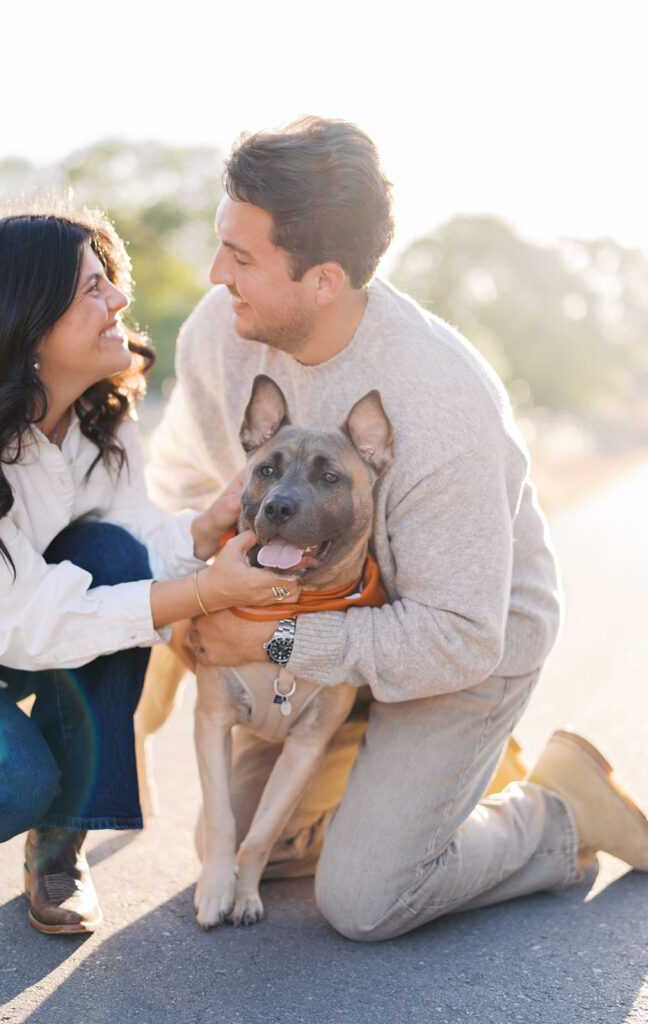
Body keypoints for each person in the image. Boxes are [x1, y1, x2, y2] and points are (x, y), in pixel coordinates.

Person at [146, 116, 648, 939]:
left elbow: (458, 638)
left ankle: (559, 811)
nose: (214, 275)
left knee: (364, 900)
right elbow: (180, 483)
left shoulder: (443, 400)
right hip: (315, 632)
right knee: (228, 844)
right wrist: (199, 591)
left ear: (324, 280)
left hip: (459, 646)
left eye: (241, 258)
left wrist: (269, 645)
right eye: (220, 246)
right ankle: (400, 782)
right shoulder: (220, 334)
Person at [0, 203, 294, 935]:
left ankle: (59, 848)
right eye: (91, 289)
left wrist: (203, 531)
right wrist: (204, 589)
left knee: (113, 556)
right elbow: (31, 626)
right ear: (24, 318)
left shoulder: (97, 415)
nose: (119, 301)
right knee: (6, 784)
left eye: (111, 279)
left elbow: (128, 544)